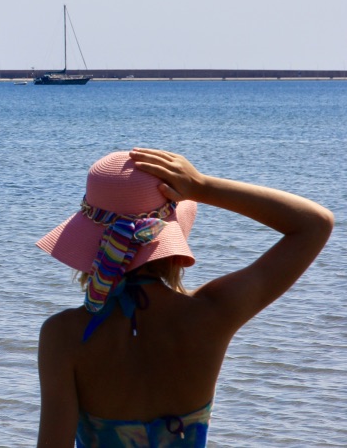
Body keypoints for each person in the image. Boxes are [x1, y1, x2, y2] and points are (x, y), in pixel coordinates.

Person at [35, 148, 333, 447]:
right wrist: (202, 186)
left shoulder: (64, 335)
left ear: (89, 243)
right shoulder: (214, 312)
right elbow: (314, 224)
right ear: (170, 241)